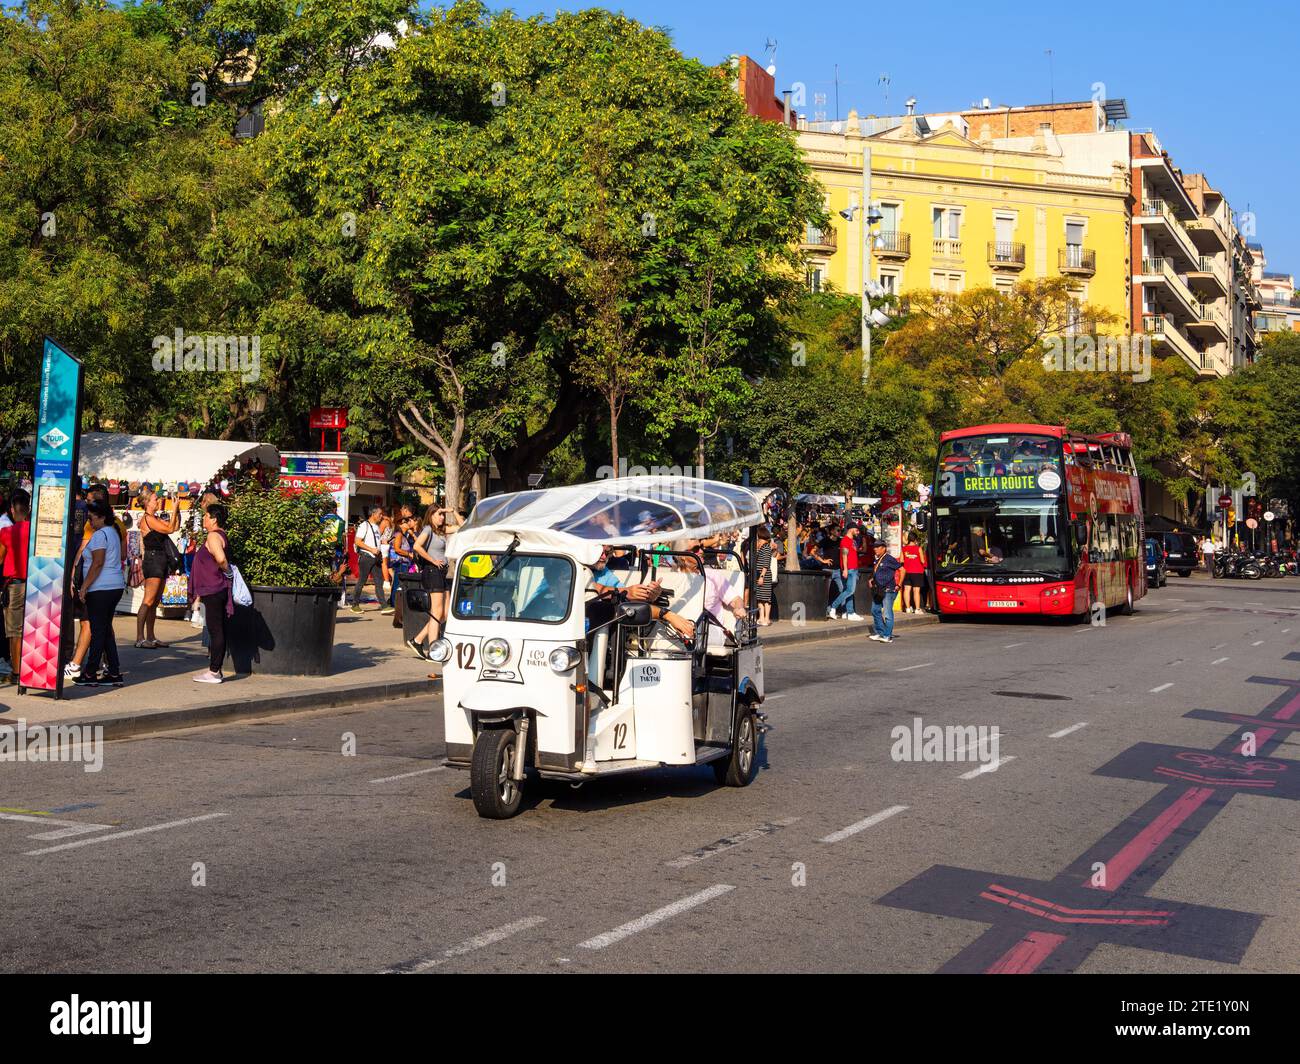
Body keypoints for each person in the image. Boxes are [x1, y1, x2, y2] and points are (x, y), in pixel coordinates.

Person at [66, 484, 127, 679]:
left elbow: (97, 563)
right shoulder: (113, 532)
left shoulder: (101, 535)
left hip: (102, 588)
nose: (89, 521)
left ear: (101, 516)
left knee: (98, 630)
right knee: (105, 630)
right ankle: (114, 670)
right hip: (113, 586)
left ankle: (90, 672)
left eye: (92, 517)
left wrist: (84, 587)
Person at [409, 506, 458, 661]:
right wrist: (432, 560)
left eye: (443, 515)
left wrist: (452, 511)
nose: (442, 518)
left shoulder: (442, 531)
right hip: (432, 572)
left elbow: (463, 526)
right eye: (439, 515)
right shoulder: (428, 529)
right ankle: (432, 651)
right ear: (431, 516)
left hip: (442, 573)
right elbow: (416, 546)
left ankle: (417, 640)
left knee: (444, 613)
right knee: (436, 613)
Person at [190, 503, 233, 683]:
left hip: (214, 588)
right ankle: (215, 670)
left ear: (214, 519)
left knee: (216, 630)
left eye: (206, 516)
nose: (204, 519)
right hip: (214, 588)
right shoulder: (219, 535)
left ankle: (214, 671)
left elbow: (221, 558)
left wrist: (227, 571)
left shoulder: (214, 535)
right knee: (216, 629)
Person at [135, 485, 181, 648]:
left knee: (154, 602)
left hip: (160, 560)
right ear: (148, 502)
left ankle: (151, 637)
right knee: (148, 600)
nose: (159, 500)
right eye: (155, 498)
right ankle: (140, 638)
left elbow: (174, 527)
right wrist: (174, 509)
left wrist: (178, 510)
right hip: (153, 560)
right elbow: (169, 529)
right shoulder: (148, 519)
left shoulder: (154, 518)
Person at [0, 489, 31, 684]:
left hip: (15, 585)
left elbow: (0, 557)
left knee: (14, 631)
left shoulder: (6, 532)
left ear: (12, 509)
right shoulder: (36, 531)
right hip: (37, 584)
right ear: (28, 509)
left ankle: (17, 672)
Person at [349, 505, 390, 613]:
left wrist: (379, 550)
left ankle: (384, 606)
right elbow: (357, 541)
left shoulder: (376, 527)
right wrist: (371, 549)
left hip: (375, 558)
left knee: (379, 581)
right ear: (373, 514)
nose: (381, 516)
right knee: (362, 581)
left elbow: (375, 542)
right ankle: (355, 605)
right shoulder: (364, 526)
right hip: (366, 557)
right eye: (379, 514)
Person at [868, 541, 904, 644]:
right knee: (875, 610)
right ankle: (881, 632)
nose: (875, 549)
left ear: (884, 548)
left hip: (888, 589)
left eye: (877, 547)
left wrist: (899, 584)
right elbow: (877, 572)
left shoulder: (889, 558)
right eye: (874, 547)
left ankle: (887, 636)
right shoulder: (878, 559)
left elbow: (902, 570)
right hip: (879, 589)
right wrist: (871, 579)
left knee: (887, 613)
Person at [828, 525, 862, 621]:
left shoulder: (853, 541)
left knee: (849, 591)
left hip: (853, 569)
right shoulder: (845, 540)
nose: (858, 532)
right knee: (850, 591)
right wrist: (845, 569)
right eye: (856, 530)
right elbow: (844, 556)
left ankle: (850, 613)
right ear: (851, 529)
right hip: (850, 569)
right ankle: (833, 607)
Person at [900, 531, 927, 614]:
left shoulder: (904, 549)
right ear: (915, 539)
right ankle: (917, 609)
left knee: (907, 589)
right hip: (917, 572)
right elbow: (923, 561)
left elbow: (901, 560)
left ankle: (908, 608)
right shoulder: (918, 548)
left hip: (907, 571)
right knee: (916, 590)